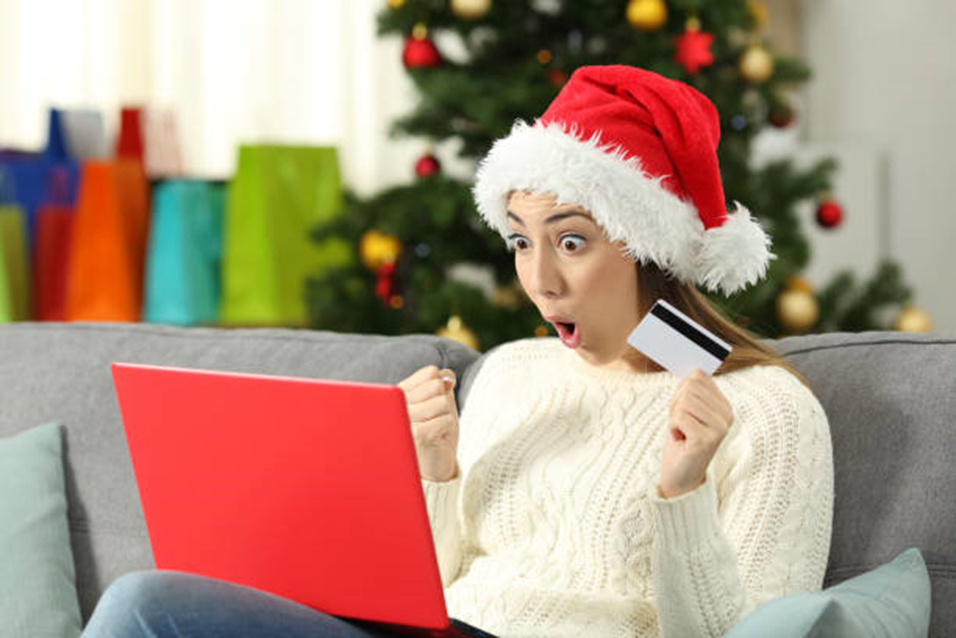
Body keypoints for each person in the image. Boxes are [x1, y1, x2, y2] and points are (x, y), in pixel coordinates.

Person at [81, 65, 833, 638]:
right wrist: (434, 471)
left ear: (650, 247)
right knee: (151, 602)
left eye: (571, 242)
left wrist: (682, 492)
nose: (539, 280)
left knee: (148, 607)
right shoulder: (510, 373)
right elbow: (426, 595)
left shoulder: (767, 410)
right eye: (519, 241)